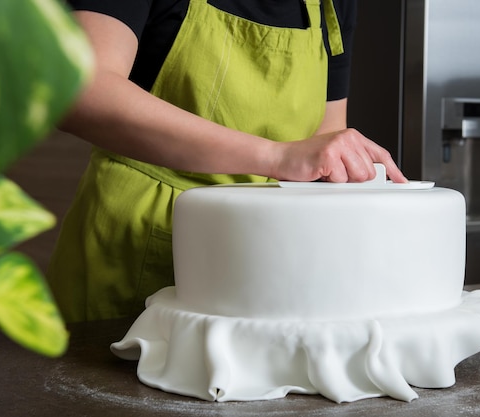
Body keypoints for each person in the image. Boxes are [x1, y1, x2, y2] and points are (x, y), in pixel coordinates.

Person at [47, 0, 408, 322]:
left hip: (265, 268)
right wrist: (275, 156)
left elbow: (324, 143)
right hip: (133, 256)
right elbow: (79, 89)